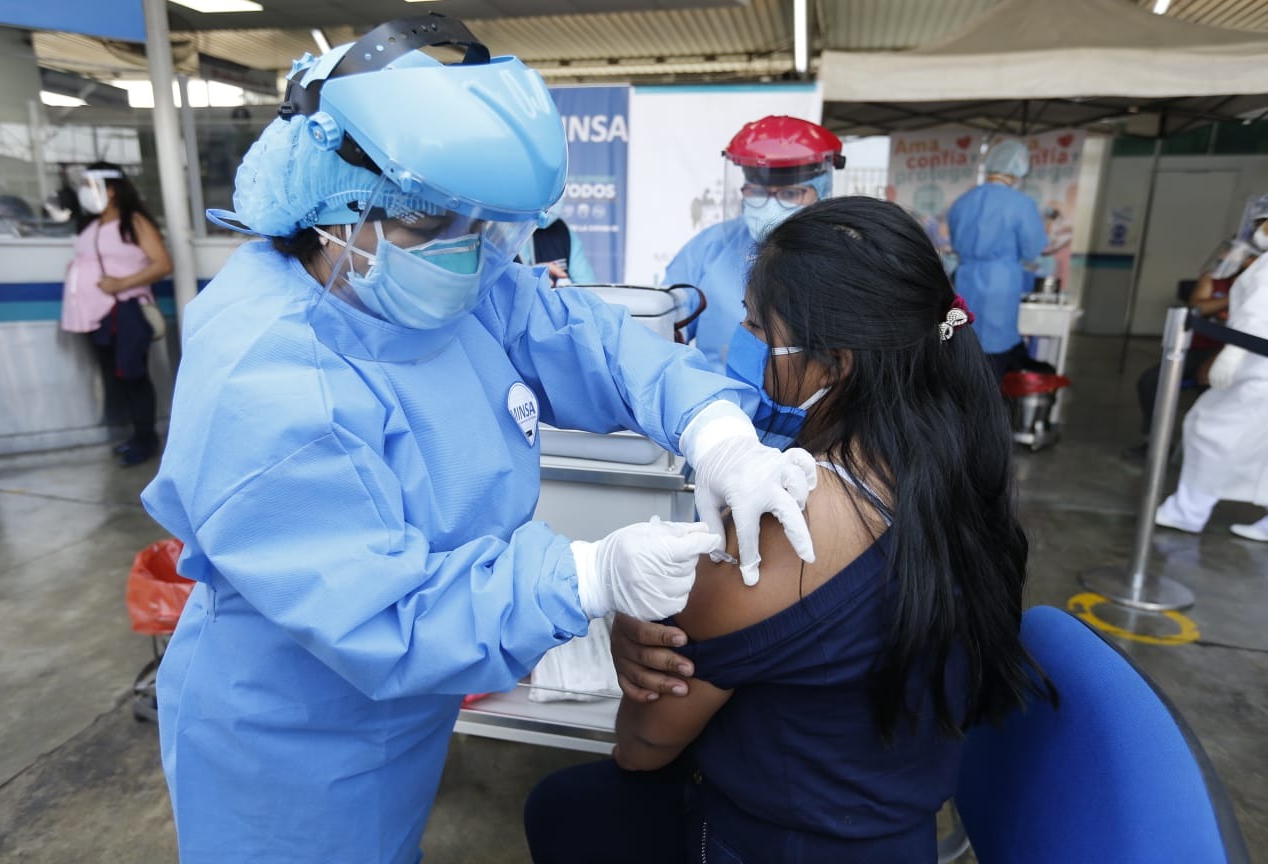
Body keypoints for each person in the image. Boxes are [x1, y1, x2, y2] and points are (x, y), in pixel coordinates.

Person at [139, 17, 821, 864]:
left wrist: (713, 429)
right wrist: (586, 575)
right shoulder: (268, 379)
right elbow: (384, 612)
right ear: (333, 208)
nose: (464, 251)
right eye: (431, 223)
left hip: (409, 704)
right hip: (290, 733)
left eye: (478, 224)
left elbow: (587, 339)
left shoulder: (436, 277)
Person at [524, 196, 1056, 864]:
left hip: (769, 842)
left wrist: (630, 622)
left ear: (834, 362)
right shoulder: (963, 467)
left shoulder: (784, 527)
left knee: (561, 808)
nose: (744, 342)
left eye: (757, 326)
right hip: (894, 834)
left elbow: (641, 745)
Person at [664, 116, 844, 372]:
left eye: (790, 194)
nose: (771, 206)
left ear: (822, 190)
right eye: (757, 192)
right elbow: (665, 329)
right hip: (719, 395)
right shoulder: (710, 248)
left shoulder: (845, 257)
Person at [1128, 194, 1267, 458]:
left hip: (1242, 356)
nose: (1229, 257)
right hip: (1201, 349)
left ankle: (1211, 452)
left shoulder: (1260, 284)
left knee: (1222, 398)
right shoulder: (1216, 280)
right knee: (1151, 382)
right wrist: (1232, 294)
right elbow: (1197, 307)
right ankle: (1154, 442)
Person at [1155, 218, 1268, 541]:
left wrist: (1232, 353)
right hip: (1257, 364)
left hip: (1257, 367)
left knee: (1211, 430)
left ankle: (1188, 511)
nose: (1259, 230)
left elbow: (1257, 317)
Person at [59, 162, 172, 466]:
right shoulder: (91, 225)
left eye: (89, 185)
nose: (84, 192)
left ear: (110, 190)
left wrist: (122, 283)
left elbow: (162, 264)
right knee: (117, 377)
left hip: (124, 310)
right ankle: (136, 436)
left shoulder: (133, 222)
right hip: (95, 315)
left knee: (133, 374)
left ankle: (147, 440)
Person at [947, 139, 1049, 383]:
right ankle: (986, 404)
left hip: (965, 281)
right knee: (994, 357)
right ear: (1019, 168)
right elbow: (1032, 250)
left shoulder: (962, 202)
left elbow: (956, 243)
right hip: (1000, 287)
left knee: (965, 351)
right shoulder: (1022, 204)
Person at [522, 197, 597, 287]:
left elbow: (589, 288)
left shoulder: (562, 231)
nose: (554, 198)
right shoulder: (505, 236)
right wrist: (526, 278)